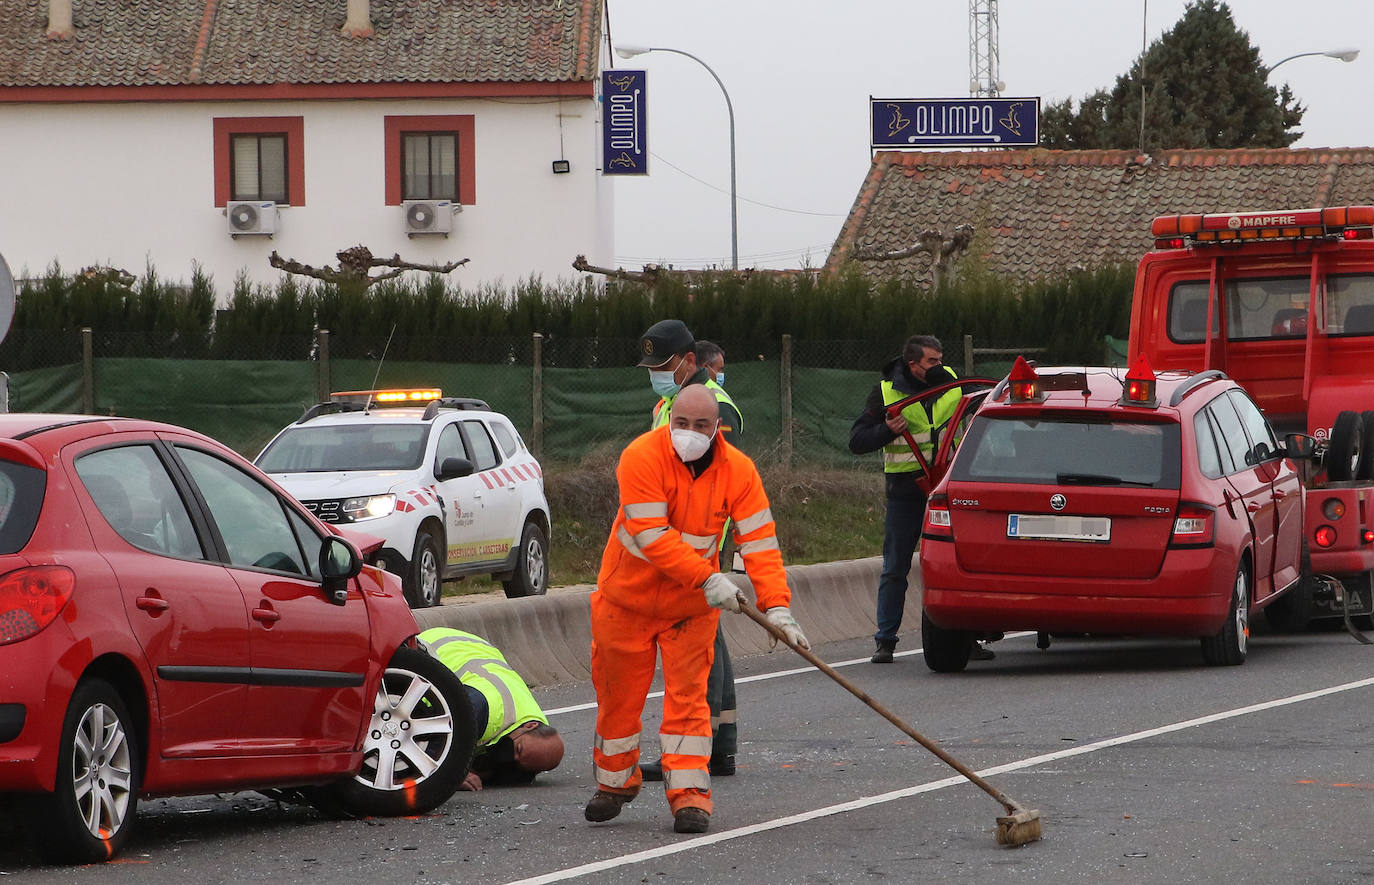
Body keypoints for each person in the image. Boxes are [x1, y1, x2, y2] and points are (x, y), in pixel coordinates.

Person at [584, 384, 809, 835]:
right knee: (617, 700)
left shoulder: (738, 471)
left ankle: (690, 798)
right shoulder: (640, 457)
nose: (688, 433)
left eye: (700, 426)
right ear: (670, 421)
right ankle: (614, 784)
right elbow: (650, 535)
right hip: (625, 602)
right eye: (680, 424)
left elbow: (760, 543)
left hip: (690, 609)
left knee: (689, 704)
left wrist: (778, 607)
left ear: (717, 428)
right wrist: (708, 577)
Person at [636, 322, 743, 782]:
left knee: (692, 647)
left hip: (696, 544)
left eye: (665, 366)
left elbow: (715, 478)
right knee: (708, 642)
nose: (658, 374)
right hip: (670, 543)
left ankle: (695, 748)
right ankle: (718, 745)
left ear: (690, 361)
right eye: (653, 368)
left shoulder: (715, 407)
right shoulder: (668, 404)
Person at [849, 335, 993, 664]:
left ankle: (968, 640)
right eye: (931, 361)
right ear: (912, 365)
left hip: (949, 488)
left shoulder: (955, 383)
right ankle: (885, 641)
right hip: (906, 490)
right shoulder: (885, 391)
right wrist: (887, 430)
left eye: (940, 359)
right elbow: (857, 440)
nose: (938, 366)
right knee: (896, 566)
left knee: (961, 564)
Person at [417, 627, 565, 791]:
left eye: (519, 764)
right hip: (429, 648)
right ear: (530, 726)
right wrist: (453, 772)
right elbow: (431, 740)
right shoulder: (481, 706)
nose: (510, 758)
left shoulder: (534, 729)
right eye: (518, 749)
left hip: (474, 648)